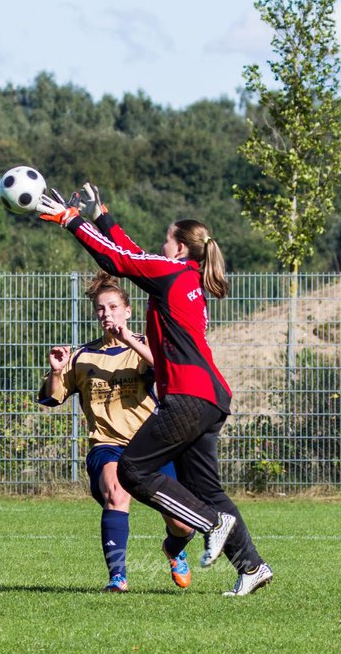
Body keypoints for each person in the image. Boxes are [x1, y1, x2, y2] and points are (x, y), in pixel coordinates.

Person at [35, 184, 273, 596]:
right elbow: (130, 251)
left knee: (133, 470)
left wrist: (70, 220)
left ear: (180, 248)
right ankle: (251, 566)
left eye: (166, 238)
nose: (160, 244)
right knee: (208, 489)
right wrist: (103, 216)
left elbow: (119, 259)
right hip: (213, 396)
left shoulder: (171, 273)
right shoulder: (187, 276)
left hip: (187, 395)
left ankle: (212, 523)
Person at [39, 272, 195, 592]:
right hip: (107, 444)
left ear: (128, 310)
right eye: (100, 308)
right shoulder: (81, 356)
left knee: (182, 523)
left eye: (112, 306)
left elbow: (166, 372)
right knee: (116, 492)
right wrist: (56, 372)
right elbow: (50, 398)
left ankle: (173, 549)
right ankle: (117, 578)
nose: (106, 313)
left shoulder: (142, 347)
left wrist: (129, 341)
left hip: (149, 445)